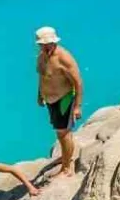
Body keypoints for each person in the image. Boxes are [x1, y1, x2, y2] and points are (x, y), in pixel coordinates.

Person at [34, 26, 84, 177]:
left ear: (52, 42)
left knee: (64, 133)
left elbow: (78, 83)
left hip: (64, 99)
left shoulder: (64, 58)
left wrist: (77, 106)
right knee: (60, 132)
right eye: (40, 44)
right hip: (50, 99)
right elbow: (42, 76)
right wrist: (39, 94)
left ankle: (67, 167)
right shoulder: (42, 56)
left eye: (43, 44)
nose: (41, 46)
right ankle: (66, 156)